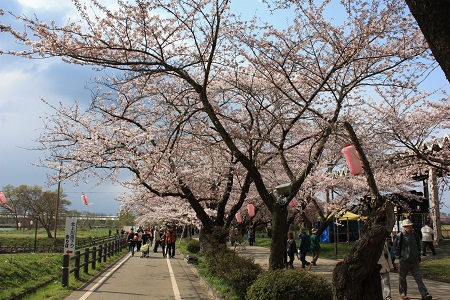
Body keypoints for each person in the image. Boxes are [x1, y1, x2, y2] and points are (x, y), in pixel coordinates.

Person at [393, 219, 432, 300]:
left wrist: (418, 254)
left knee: (418, 278)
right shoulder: (400, 235)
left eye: (410, 226)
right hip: (404, 261)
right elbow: (396, 247)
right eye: (407, 226)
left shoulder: (414, 234)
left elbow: (418, 244)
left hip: (414, 260)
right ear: (404, 227)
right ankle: (403, 293)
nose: (410, 227)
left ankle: (424, 293)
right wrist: (399, 257)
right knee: (402, 278)